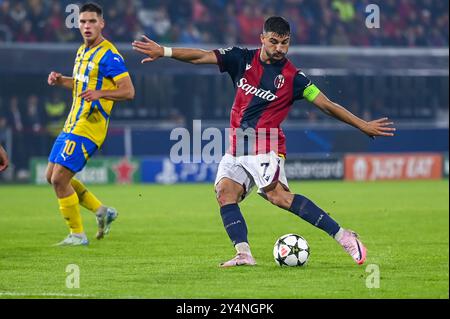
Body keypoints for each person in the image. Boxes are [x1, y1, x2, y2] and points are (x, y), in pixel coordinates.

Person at [132, 16, 395, 266]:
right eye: (274, 41)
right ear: (262, 39)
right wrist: (164, 51)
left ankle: (344, 237)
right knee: (225, 193)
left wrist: (362, 124)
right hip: (237, 143)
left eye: (285, 42)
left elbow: (326, 104)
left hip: (265, 142)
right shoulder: (240, 58)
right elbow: (202, 56)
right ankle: (243, 254)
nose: (280, 48)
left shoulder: (295, 78)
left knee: (278, 196)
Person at [46, 2, 135, 246]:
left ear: (101, 24)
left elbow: (128, 91)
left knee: (59, 180)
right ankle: (102, 211)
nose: (87, 26)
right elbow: (81, 85)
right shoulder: (82, 51)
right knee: (50, 176)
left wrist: (100, 93)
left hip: (89, 126)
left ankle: (77, 235)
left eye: (92, 21)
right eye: (83, 21)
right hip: (71, 122)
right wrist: (61, 80)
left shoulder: (110, 55)